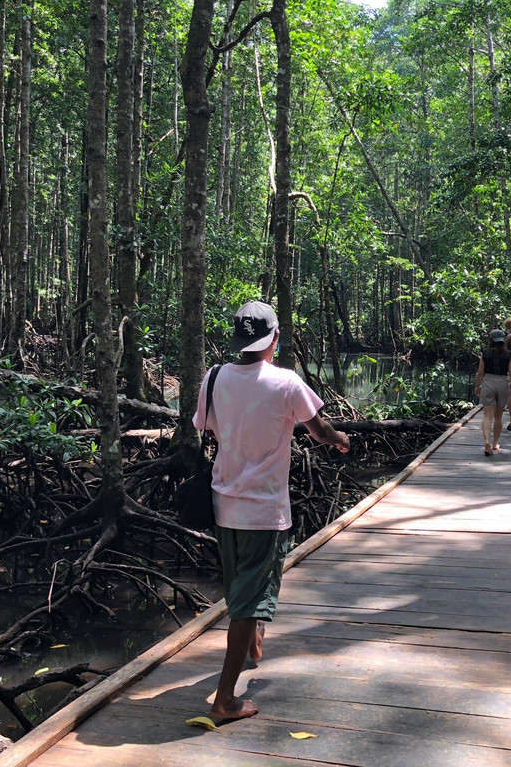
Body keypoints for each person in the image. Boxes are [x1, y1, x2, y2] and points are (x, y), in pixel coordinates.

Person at [193, 301, 350, 722]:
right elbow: (318, 431)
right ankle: (225, 699)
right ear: (274, 340)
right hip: (264, 509)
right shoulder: (285, 382)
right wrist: (340, 439)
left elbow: (205, 426)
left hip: (224, 504)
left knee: (241, 588)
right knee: (245, 602)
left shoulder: (213, 378)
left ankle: (254, 643)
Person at [474, 328, 511, 456]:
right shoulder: (509, 354)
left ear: (491, 340)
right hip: (502, 384)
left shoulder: (485, 353)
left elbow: (480, 372)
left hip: (488, 382)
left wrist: (477, 385)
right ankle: (494, 443)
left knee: (487, 416)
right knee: (498, 416)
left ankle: (486, 441)